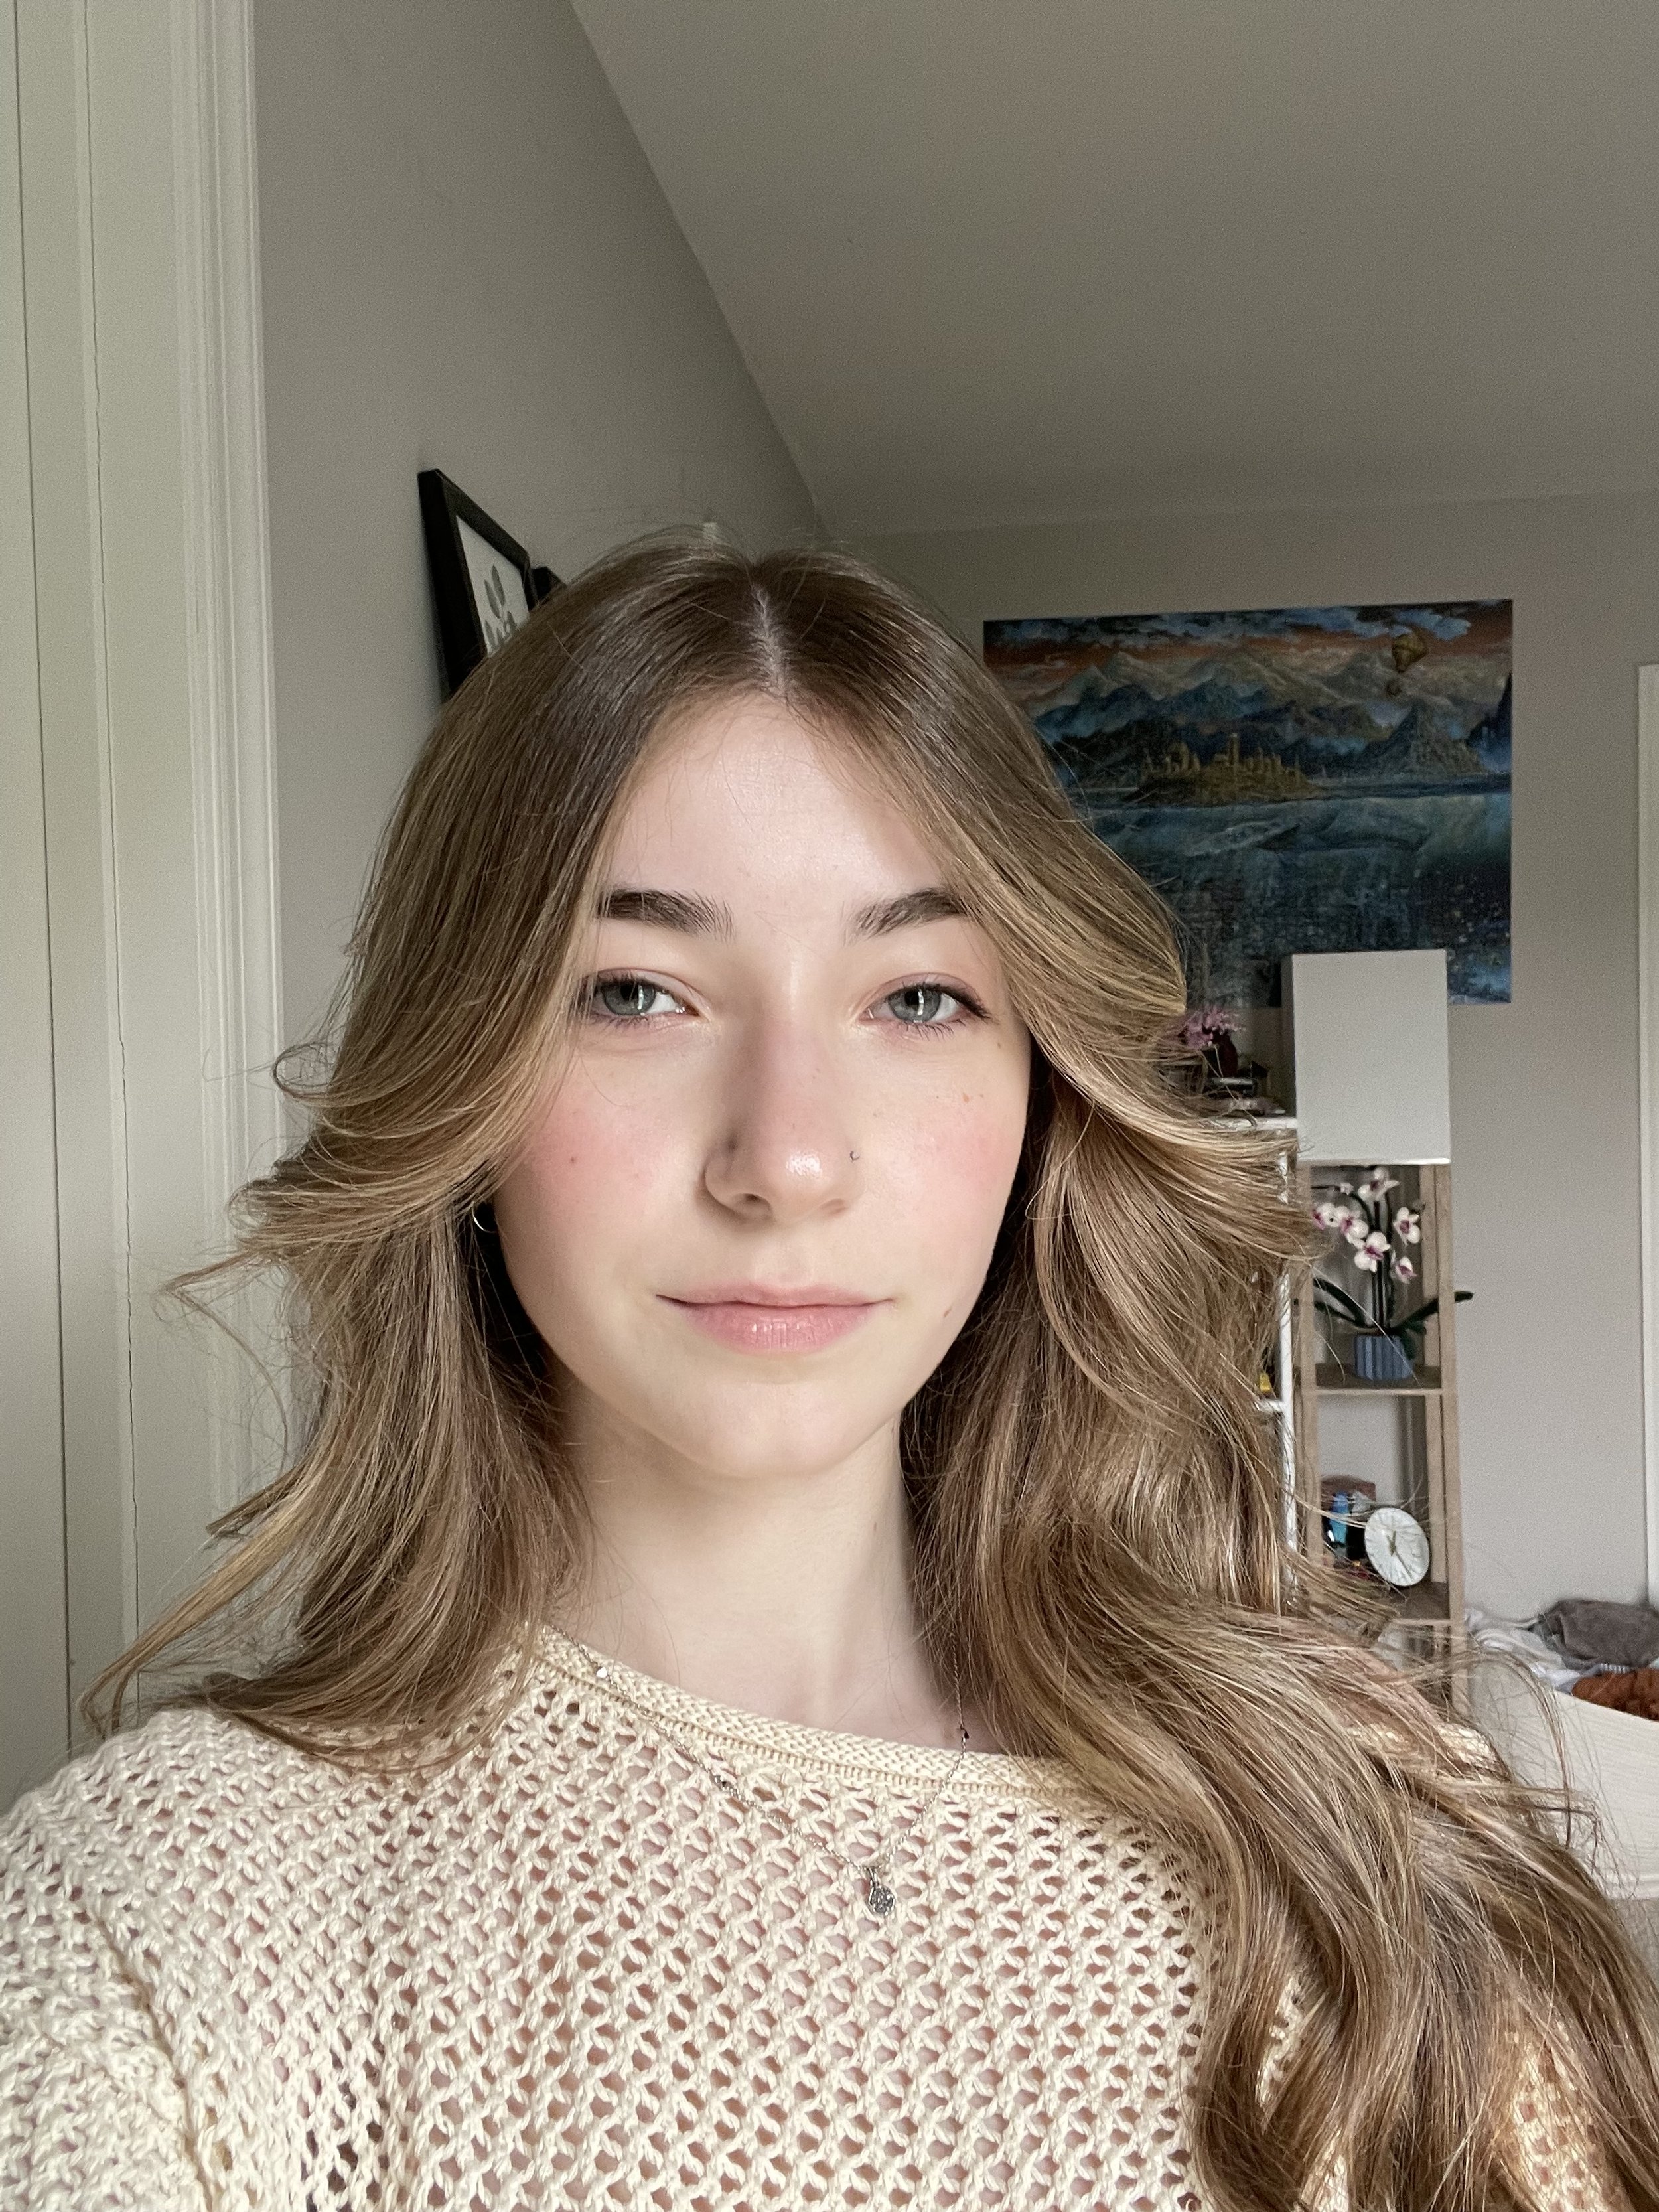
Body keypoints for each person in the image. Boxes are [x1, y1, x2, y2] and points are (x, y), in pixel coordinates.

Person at [1, 535, 1654, 2210]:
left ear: (1042, 1099)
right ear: (464, 1079)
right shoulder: (153, 1922)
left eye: (916, 993)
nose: (784, 1158)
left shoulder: (1363, 1824)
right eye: (633, 990)